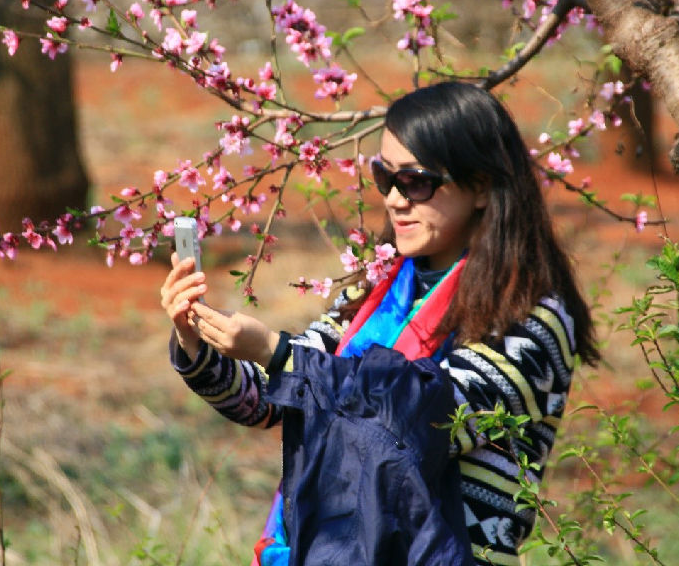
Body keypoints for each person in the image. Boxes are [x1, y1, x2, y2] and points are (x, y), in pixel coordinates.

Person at [161, 82, 599, 566]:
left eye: (415, 181)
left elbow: (420, 421)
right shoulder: (375, 287)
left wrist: (278, 354)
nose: (393, 199)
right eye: (384, 177)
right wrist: (198, 343)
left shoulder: (530, 315)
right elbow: (271, 400)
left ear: (480, 186)